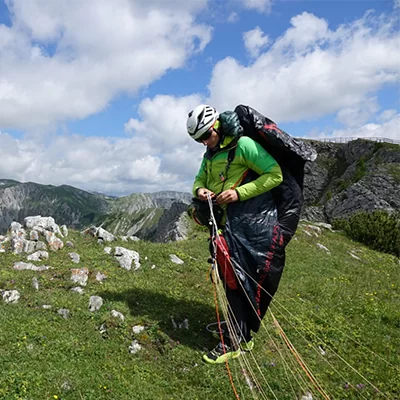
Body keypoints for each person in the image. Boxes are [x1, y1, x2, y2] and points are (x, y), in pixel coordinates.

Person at [187, 104, 295, 365]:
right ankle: (242, 334)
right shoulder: (210, 154)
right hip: (224, 225)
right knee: (230, 278)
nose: (203, 143)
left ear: (216, 127)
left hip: (248, 227)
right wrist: (201, 190)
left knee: (237, 280)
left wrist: (238, 193)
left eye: (205, 136)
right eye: (198, 140)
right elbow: (198, 180)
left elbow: (274, 175)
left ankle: (233, 341)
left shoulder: (243, 145)